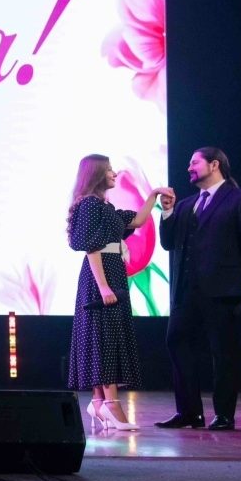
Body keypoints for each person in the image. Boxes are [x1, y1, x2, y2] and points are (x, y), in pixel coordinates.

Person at [155, 147, 241, 431]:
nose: (189, 168)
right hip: (186, 291)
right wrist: (167, 211)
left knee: (223, 352)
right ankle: (189, 412)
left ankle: (224, 414)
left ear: (214, 164)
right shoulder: (186, 205)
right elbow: (168, 243)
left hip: (222, 290)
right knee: (176, 341)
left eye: (194, 162)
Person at [65, 155, 168, 431]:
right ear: (97, 174)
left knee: (105, 334)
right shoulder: (89, 205)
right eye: (109, 169)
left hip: (111, 272)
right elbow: (91, 247)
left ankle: (99, 401)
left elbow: (138, 220)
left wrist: (153, 195)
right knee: (104, 336)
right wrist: (103, 286)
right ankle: (110, 403)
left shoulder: (104, 207)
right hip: (101, 276)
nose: (115, 173)